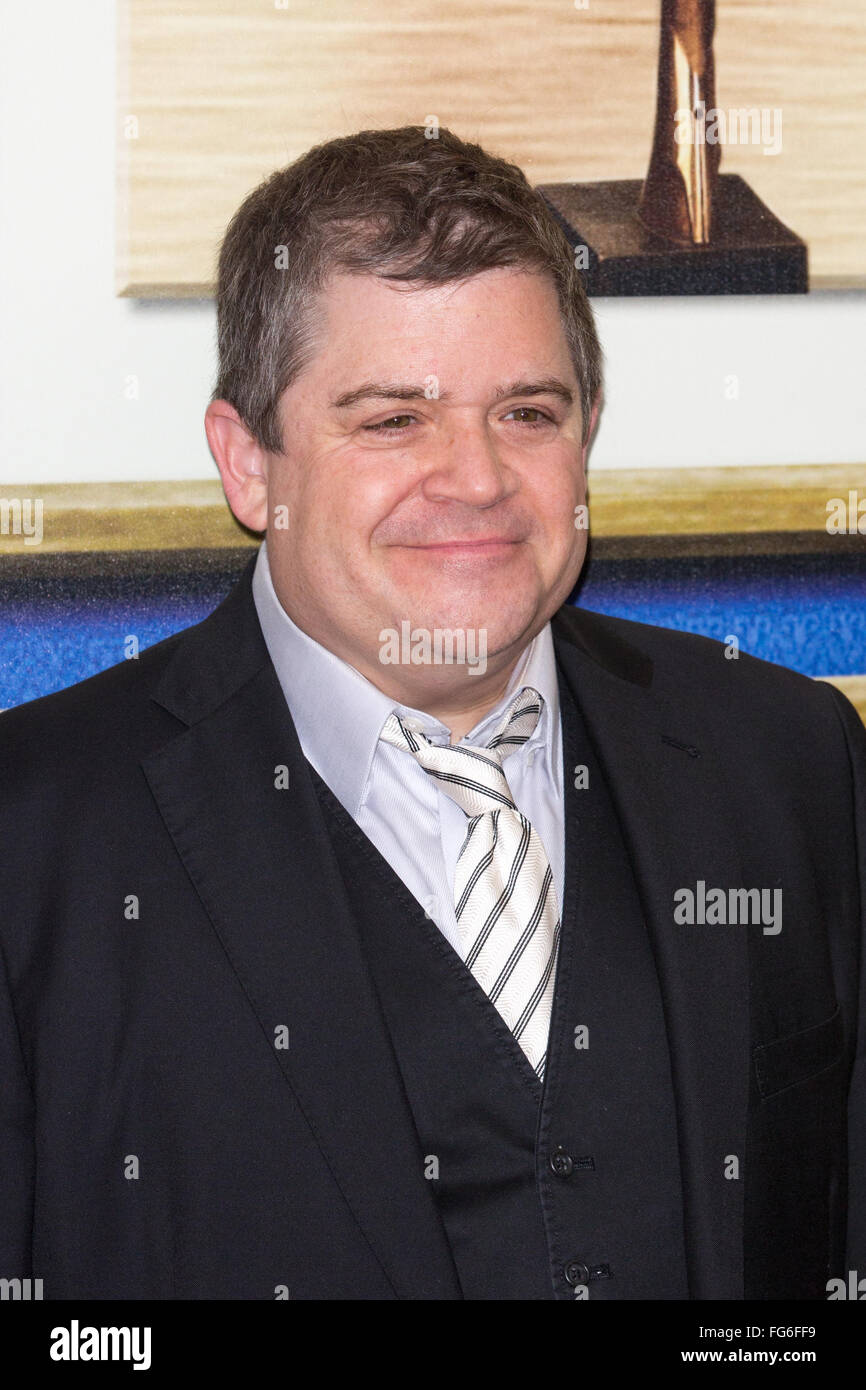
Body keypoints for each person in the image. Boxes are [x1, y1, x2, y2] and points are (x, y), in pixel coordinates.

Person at [1, 125, 864, 1301]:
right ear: (249, 464)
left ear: (586, 433)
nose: (473, 478)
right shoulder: (33, 836)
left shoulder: (788, 760)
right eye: (392, 419)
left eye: (525, 411)